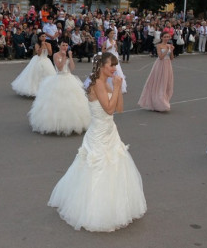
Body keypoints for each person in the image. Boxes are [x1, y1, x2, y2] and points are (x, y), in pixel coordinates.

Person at [48, 52, 146, 232]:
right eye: (112, 65)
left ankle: (114, 206)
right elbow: (109, 110)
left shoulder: (107, 83)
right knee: (98, 168)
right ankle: (95, 210)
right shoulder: (97, 84)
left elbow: (120, 109)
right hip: (99, 132)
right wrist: (116, 87)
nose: (115, 69)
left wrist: (118, 86)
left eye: (116, 65)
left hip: (110, 132)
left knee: (114, 167)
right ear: (101, 65)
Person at [28, 41, 90, 135]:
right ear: (59, 46)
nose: (64, 47)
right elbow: (60, 68)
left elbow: (72, 68)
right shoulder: (56, 55)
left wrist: (70, 57)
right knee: (58, 102)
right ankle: (57, 124)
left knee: (73, 102)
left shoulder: (68, 54)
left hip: (69, 78)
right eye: (63, 45)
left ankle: (72, 123)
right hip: (59, 77)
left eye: (66, 45)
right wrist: (64, 56)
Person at [138, 32, 174, 112]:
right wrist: (167, 50)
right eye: (165, 37)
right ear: (161, 37)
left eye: (168, 37)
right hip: (160, 65)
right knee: (159, 82)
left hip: (168, 65)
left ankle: (164, 99)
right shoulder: (159, 46)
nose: (166, 38)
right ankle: (159, 102)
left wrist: (171, 51)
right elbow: (160, 57)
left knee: (166, 83)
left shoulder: (170, 46)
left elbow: (171, 58)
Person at [11, 32, 55, 97]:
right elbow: (39, 54)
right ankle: (36, 90)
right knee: (36, 76)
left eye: (45, 36)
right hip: (38, 60)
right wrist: (42, 46)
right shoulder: (37, 44)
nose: (44, 38)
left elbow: (50, 54)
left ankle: (47, 90)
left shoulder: (48, 44)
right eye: (42, 36)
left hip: (46, 60)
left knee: (48, 76)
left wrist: (47, 46)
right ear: (39, 38)